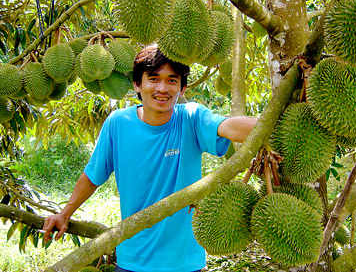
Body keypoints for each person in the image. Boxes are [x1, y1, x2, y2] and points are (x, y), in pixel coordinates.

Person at [42, 45, 258, 272]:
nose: (162, 88)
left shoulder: (191, 118)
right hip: (133, 260)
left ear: (182, 88)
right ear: (138, 84)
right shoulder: (118, 123)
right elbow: (93, 175)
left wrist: (278, 118)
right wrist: (65, 213)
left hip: (184, 263)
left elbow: (230, 127)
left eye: (172, 80)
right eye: (153, 79)